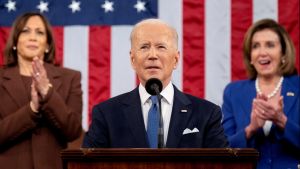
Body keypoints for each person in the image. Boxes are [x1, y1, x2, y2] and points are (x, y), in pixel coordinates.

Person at [82, 19, 228, 148]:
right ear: (133, 59)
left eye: (161, 47)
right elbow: (86, 165)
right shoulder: (107, 114)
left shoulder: (206, 113)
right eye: (144, 47)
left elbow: (223, 165)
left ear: (176, 60)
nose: (152, 55)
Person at [0, 12, 82, 169]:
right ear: (15, 41)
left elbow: (74, 130)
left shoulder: (70, 78)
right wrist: (31, 110)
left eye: (39, 32)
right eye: (25, 31)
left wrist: (47, 93)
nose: (33, 37)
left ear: (47, 45)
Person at [222, 18, 300, 169]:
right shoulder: (233, 92)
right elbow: (223, 148)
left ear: (283, 53)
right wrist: (250, 129)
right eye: (256, 46)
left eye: (270, 45)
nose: (262, 52)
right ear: (250, 56)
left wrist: (282, 121)